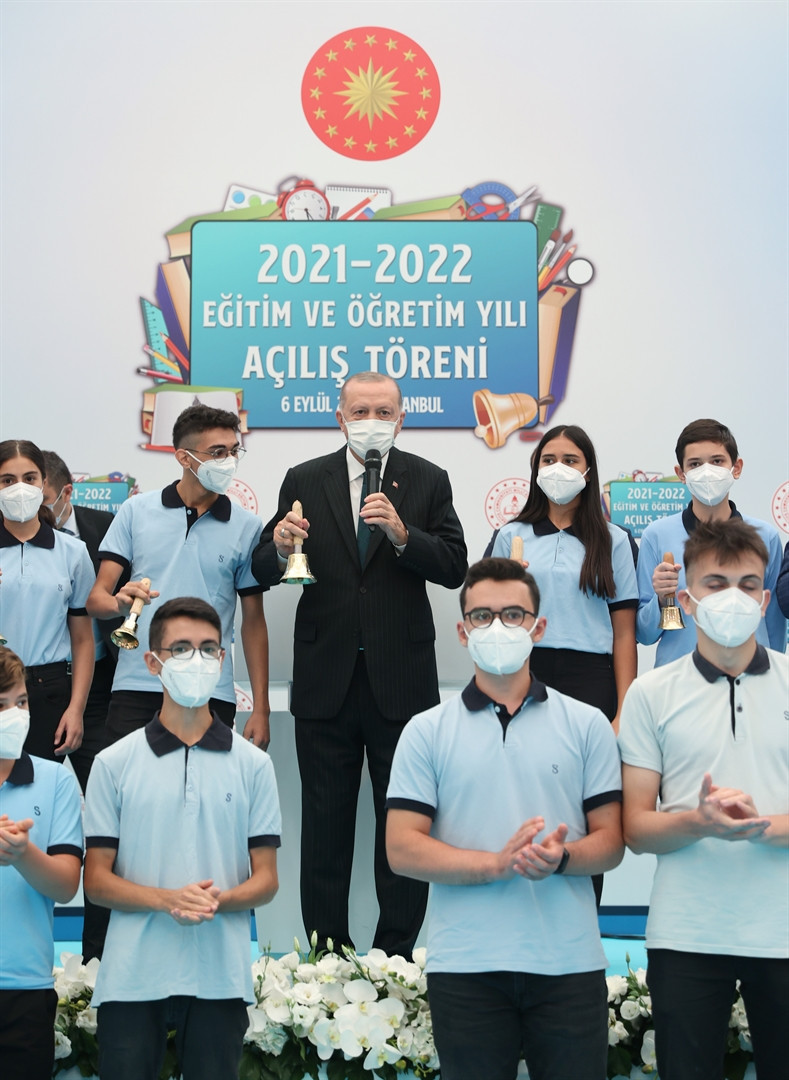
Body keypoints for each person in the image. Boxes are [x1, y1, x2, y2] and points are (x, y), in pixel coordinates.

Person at [252, 370, 467, 959]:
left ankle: (395, 960)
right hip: (326, 680)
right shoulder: (304, 478)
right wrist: (279, 546)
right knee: (324, 829)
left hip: (403, 682)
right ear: (340, 417)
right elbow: (262, 567)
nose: (372, 421)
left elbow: (454, 566)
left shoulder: (427, 479)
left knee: (404, 825)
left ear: (402, 418)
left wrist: (403, 534)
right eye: (360, 410)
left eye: (384, 411)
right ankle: (326, 961)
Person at [386, 557, 623, 1080]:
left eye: (513, 615)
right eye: (482, 616)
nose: (498, 627)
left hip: (569, 965)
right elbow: (402, 849)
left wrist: (563, 858)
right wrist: (493, 865)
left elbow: (612, 841)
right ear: (462, 631)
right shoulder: (425, 731)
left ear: (539, 627)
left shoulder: (587, 725)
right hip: (466, 967)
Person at [83, 597, 281, 1080]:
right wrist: (167, 899)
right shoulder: (113, 762)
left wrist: (216, 902)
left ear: (223, 659)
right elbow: (97, 882)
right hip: (131, 978)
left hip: (220, 977)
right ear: (153, 663)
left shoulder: (254, 765)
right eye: (182, 649)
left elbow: (267, 880)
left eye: (209, 649)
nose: (198, 660)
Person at [619, 519, 789, 1080]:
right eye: (716, 584)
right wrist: (699, 821)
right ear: (688, 601)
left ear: (766, 600)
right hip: (686, 932)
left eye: (747, 584)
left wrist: (761, 826)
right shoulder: (649, 693)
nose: (733, 597)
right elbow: (635, 828)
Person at [87, 405, 271, 747]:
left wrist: (261, 708)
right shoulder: (136, 510)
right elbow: (96, 600)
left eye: (234, 451)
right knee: (131, 781)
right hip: (137, 683)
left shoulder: (247, 526)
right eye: (217, 452)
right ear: (184, 458)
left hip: (210, 687)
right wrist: (118, 604)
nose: (228, 461)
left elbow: (254, 621)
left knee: (206, 783)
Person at [488, 424, 638, 729]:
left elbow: (624, 634)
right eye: (548, 460)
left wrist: (624, 712)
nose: (558, 468)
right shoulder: (509, 535)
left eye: (570, 460)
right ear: (536, 469)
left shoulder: (615, 540)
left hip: (592, 675)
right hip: (523, 668)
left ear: (588, 472)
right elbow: (487, 619)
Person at [42, 449, 129, 962]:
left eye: (43, 501)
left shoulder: (108, 527)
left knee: (108, 821)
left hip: (101, 694)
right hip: (31, 692)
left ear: (66, 494)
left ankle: (101, 959)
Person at [636, 417, 786, 665]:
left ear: (736, 467)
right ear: (681, 474)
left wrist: (771, 675)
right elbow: (643, 634)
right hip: (678, 679)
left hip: (749, 677)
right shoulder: (656, 535)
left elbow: (774, 626)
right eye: (695, 464)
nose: (706, 471)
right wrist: (661, 599)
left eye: (717, 461)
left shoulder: (765, 536)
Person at [0, 646, 83, 1080]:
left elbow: (67, 885)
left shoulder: (56, 780)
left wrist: (21, 854)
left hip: (26, 990)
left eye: (21, 702)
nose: (15, 715)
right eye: (1, 705)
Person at [0, 439, 95, 761]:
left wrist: (76, 709)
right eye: (8, 480)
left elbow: (82, 639)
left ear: (43, 483)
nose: (20, 488)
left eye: (29, 478)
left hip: (50, 690)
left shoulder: (73, 552)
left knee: (39, 783)